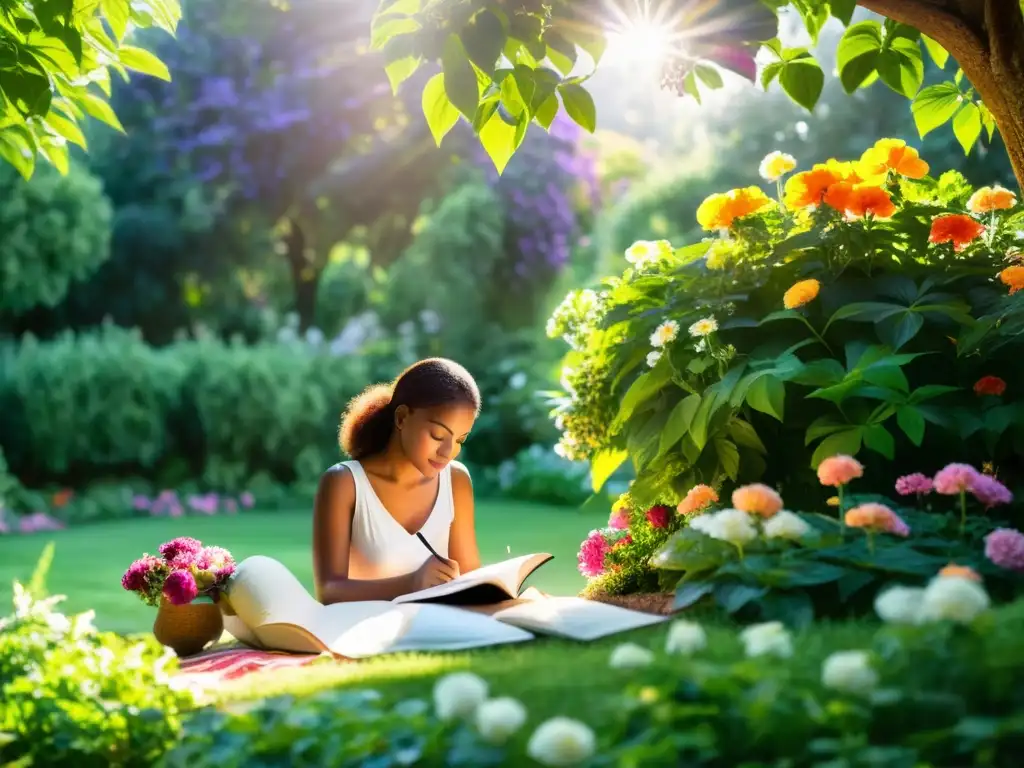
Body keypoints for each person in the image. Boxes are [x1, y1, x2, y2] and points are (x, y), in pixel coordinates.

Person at [312, 358, 482, 605]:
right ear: (401, 417)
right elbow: (329, 591)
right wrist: (411, 584)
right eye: (438, 435)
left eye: (460, 440)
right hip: (365, 632)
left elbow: (471, 579)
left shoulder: (456, 480)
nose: (448, 452)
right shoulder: (344, 483)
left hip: (438, 628)